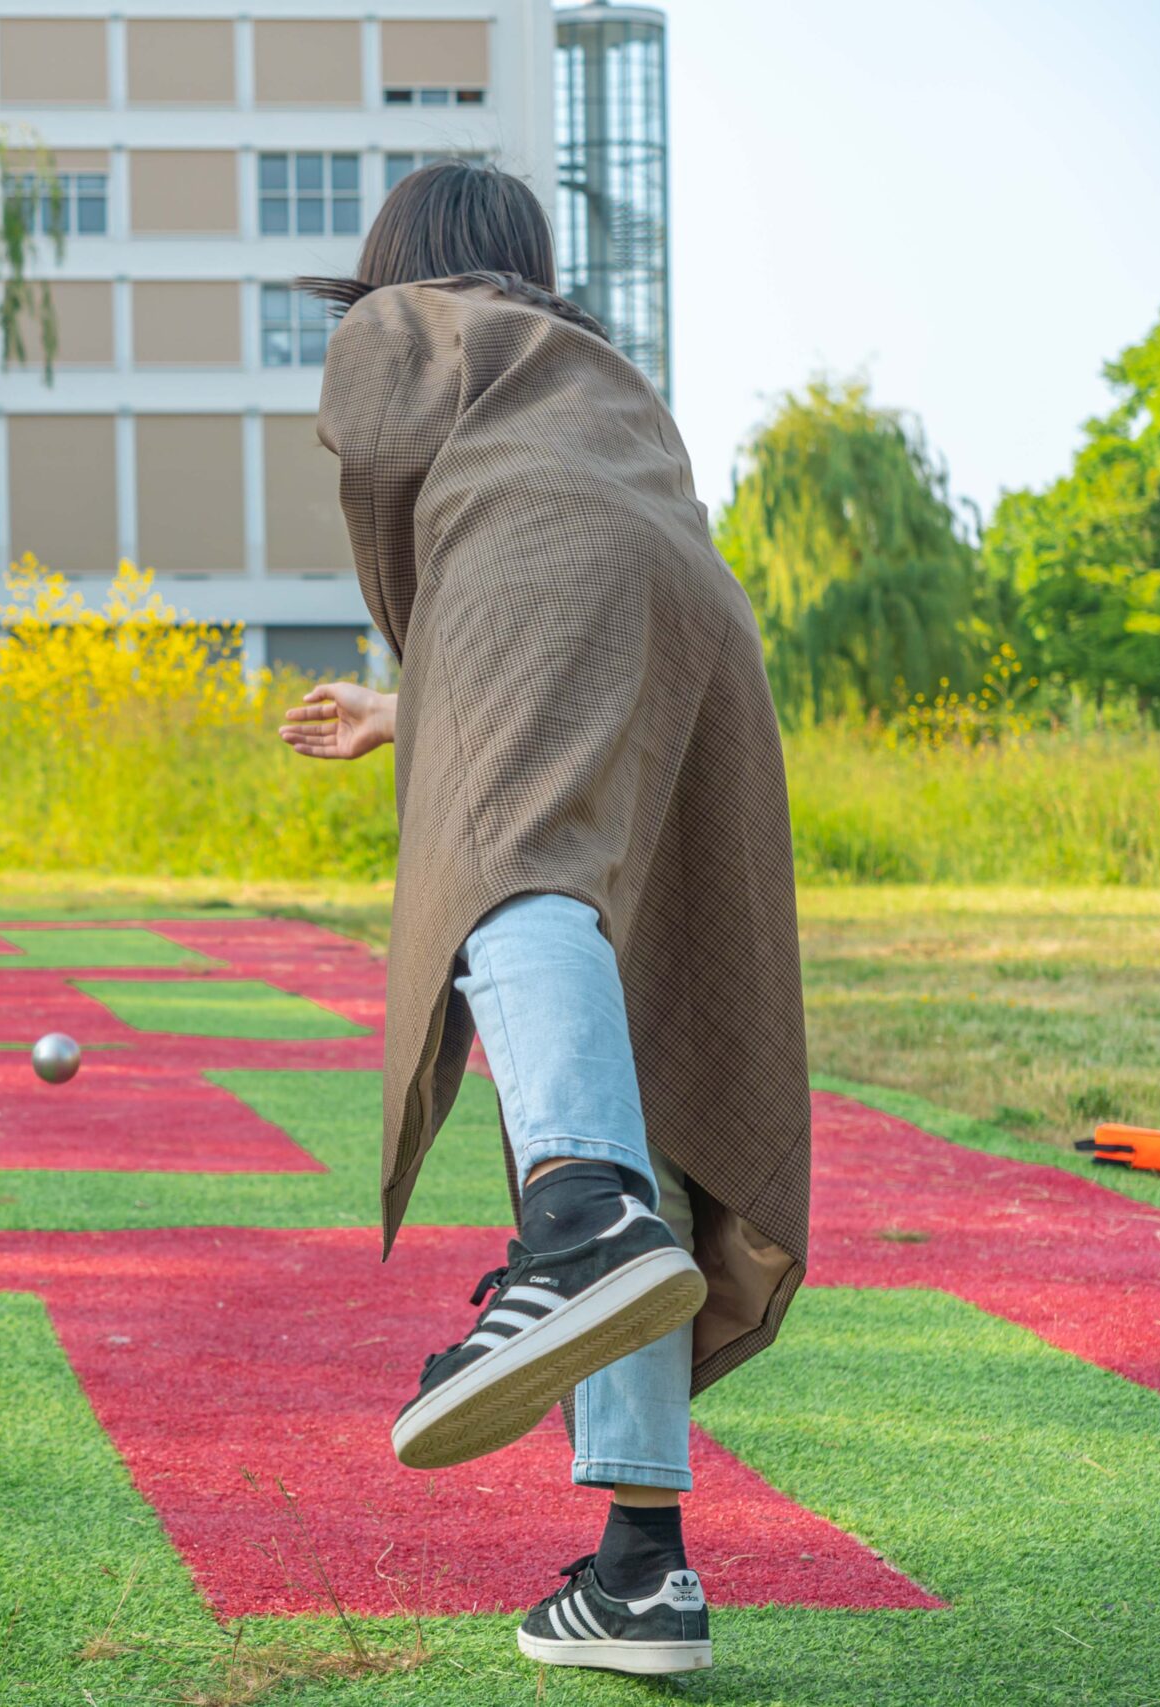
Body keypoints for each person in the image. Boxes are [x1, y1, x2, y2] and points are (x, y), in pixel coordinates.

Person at [276, 159, 811, 1678]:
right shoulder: (591, 369)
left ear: (403, 261)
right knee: (627, 1029)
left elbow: (413, 526)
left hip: (535, 578)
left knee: (499, 866)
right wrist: (415, 710)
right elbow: (586, 577)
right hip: (691, 619)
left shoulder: (411, 325)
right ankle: (642, 1569)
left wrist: (428, 686)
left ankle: (576, 1217)